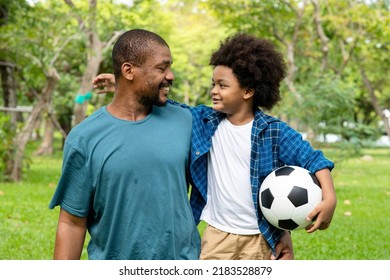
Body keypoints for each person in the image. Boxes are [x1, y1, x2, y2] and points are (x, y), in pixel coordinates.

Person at [93, 33, 336, 260]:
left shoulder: (274, 131)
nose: (214, 91)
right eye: (213, 84)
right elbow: (169, 106)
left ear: (248, 91)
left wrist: (330, 198)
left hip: (261, 237)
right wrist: (121, 85)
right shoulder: (204, 121)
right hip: (216, 235)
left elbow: (313, 160)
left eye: (222, 85)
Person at [49, 29, 201, 260]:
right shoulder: (84, 137)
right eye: (162, 68)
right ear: (128, 71)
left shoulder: (186, 121)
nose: (170, 75)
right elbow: (72, 222)